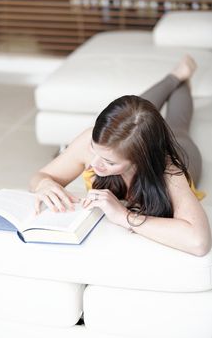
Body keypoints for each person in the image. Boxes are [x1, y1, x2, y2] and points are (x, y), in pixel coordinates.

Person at [29, 55, 211, 256]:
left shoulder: (170, 172)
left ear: (139, 162)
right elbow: (41, 177)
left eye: (108, 162)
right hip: (135, 138)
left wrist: (123, 216)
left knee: (177, 125)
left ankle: (182, 79)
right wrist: (44, 184)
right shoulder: (92, 141)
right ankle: (175, 75)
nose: (93, 164)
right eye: (93, 149)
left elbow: (199, 242)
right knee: (136, 115)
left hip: (182, 151)